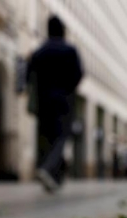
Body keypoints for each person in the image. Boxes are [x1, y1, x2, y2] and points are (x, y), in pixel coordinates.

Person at [27, 15, 84, 193]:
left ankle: (54, 179)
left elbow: (29, 74)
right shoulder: (70, 50)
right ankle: (47, 168)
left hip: (44, 102)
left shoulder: (40, 51)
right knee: (61, 137)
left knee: (49, 138)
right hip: (63, 101)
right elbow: (78, 74)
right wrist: (68, 88)